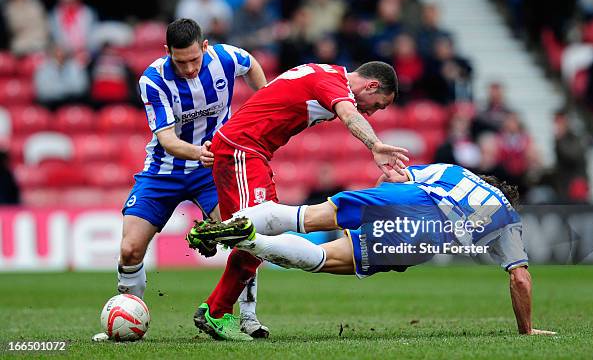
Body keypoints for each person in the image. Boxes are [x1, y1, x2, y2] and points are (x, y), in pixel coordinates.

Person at [189, 163, 557, 336]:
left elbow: (393, 176)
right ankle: (249, 240)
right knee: (324, 260)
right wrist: (526, 330)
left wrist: (378, 204)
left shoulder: (454, 171)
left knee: (305, 215)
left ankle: (236, 222)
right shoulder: (506, 216)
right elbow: (520, 279)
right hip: (424, 230)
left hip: (405, 194)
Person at [190, 61, 409, 341]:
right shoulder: (333, 83)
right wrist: (375, 145)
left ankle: (245, 316)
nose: (371, 111)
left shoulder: (324, 72)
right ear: (371, 85)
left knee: (254, 238)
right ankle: (216, 311)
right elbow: (349, 114)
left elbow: (270, 100)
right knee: (255, 232)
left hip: (245, 149)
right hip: (242, 150)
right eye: (377, 104)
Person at [92, 18, 266, 341]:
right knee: (130, 249)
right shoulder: (153, 80)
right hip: (164, 170)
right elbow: (168, 139)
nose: (188, 69)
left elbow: (252, 64)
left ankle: (248, 317)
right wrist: (197, 152)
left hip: (213, 169)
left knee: (245, 236)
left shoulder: (225, 58)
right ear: (167, 52)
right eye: (180, 61)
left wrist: (264, 101)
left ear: (205, 47)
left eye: (194, 60)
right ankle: (129, 316)